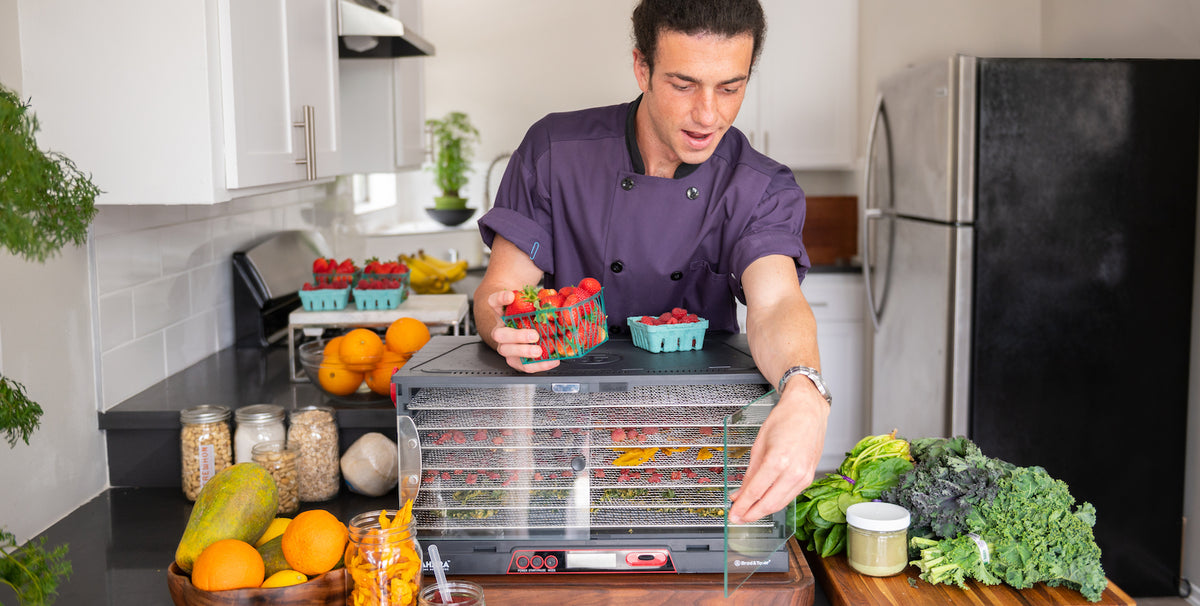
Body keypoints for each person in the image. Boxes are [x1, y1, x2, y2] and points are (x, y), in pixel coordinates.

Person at [473, 0, 829, 526]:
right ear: (642, 67)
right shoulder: (554, 151)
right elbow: (499, 291)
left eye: (730, 87)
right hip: (565, 437)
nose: (709, 115)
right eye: (684, 85)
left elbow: (776, 301)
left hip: (694, 444)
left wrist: (805, 392)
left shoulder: (759, 187)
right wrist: (504, 327)